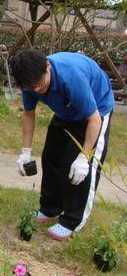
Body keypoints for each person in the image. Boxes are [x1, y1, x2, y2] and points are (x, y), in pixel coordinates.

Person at [11, 49, 114, 241]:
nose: (36, 90)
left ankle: (73, 221)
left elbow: (93, 119)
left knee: (82, 168)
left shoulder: (71, 77)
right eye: (31, 87)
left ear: (48, 67)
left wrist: (84, 156)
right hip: (66, 111)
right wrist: (25, 151)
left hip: (96, 110)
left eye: (39, 84)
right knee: (52, 156)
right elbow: (28, 114)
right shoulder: (30, 81)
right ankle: (50, 208)